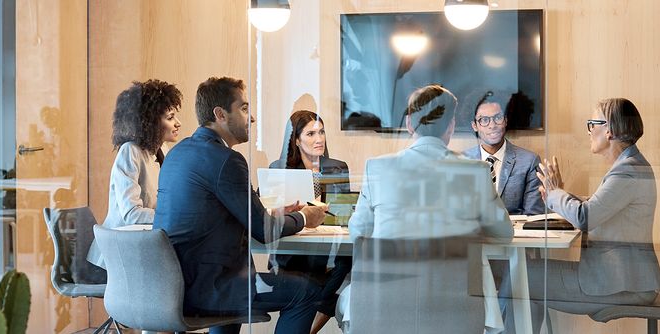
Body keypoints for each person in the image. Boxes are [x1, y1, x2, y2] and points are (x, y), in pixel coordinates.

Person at [154, 77, 328, 334]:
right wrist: (305, 217)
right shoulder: (227, 160)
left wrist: (272, 213)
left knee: (241, 272)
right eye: (244, 108)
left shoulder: (178, 153)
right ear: (220, 114)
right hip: (209, 288)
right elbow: (263, 230)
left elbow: (217, 214)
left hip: (174, 285)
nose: (252, 118)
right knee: (307, 291)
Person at [337, 84, 514, 329]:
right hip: (455, 307)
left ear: (409, 124)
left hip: (384, 305)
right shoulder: (476, 170)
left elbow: (358, 233)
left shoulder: (376, 167)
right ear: (451, 125)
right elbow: (504, 233)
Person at [526, 97, 660, 330]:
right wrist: (559, 194)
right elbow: (598, 205)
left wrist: (555, 195)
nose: (589, 131)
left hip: (623, 284)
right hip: (620, 279)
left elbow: (585, 217)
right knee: (522, 275)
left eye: (592, 124)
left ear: (609, 130)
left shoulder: (627, 171)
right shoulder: (629, 165)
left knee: (520, 278)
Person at [269, 110, 351, 333]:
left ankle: (311, 316)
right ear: (296, 140)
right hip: (294, 250)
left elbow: (343, 216)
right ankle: (316, 313)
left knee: (347, 260)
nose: (319, 139)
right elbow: (274, 217)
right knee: (311, 280)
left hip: (328, 248)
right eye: (311, 133)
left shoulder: (337, 167)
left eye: (322, 132)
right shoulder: (280, 169)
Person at [87, 80, 182, 268]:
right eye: (170, 117)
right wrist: (173, 217)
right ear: (150, 121)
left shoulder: (163, 149)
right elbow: (132, 214)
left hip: (141, 245)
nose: (178, 123)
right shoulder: (130, 151)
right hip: (116, 256)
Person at [462, 92, 545, 215]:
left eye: (498, 118)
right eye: (484, 120)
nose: (492, 125)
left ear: (505, 120)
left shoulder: (529, 161)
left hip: (514, 233)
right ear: (475, 126)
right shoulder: (461, 161)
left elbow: (533, 217)